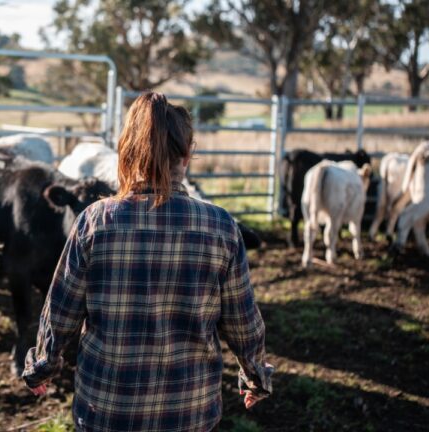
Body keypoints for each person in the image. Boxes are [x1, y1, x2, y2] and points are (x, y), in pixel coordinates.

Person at [22, 92, 273, 431]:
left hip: (107, 410)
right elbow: (243, 323)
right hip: (190, 411)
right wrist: (255, 376)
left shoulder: (95, 221)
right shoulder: (221, 226)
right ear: (186, 154)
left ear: (128, 151)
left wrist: (42, 366)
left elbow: (60, 312)